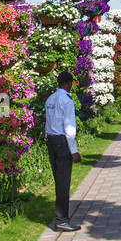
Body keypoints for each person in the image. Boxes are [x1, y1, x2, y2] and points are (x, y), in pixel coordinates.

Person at [44, 70, 82, 232]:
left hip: (51, 141)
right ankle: (61, 220)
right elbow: (69, 127)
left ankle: (61, 218)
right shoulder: (66, 101)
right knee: (63, 183)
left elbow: (48, 122)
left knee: (58, 181)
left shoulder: (50, 99)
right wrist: (73, 151)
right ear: (68, 83)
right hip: (61, 142)